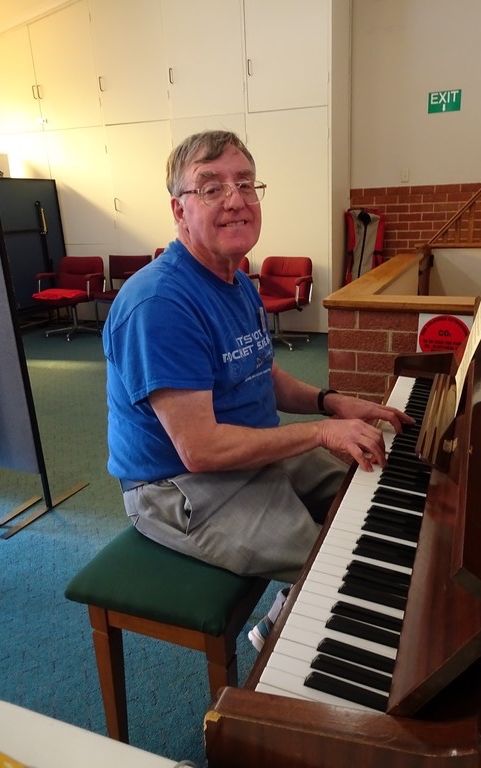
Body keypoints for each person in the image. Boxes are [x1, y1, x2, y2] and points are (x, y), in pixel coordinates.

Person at [103, 130, 414, 648]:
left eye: (245, 184)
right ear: (179, 210)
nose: (235, 200)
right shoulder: (159, 304)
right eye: (211, 188)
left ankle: (284, 610)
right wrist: (320, 433)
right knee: (338, 558)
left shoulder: (237, 281)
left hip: (246, 449)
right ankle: (289, 638)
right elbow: (201, 450)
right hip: (177, 485)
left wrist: (331, 402)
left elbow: (260, 374)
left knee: (369, 494)